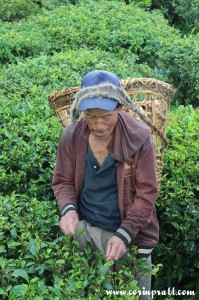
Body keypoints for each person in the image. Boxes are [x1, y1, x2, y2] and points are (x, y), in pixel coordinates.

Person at [52, 70, 159, 298]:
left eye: (106, 117)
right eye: (91, 116)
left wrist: (124, 234)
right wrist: (69, 209)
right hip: (87, 231)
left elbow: (146, 194)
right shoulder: (72, 136)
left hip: (129, 237)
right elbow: (62, 181)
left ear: (119, 108)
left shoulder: (139, 139)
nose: (98, 125)